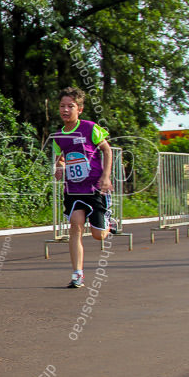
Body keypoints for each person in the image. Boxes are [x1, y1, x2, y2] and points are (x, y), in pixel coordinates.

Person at [52, 86, 115, 289]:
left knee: (98, 235)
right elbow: (59, 159)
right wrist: (59, 167)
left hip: (95, 188)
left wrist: (106, 177)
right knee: (75, 225)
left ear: (79, 109)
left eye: (70, 106)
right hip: (73, 191)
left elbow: (107, 151)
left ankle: (107, 220)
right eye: (62, 106)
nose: (65, 110)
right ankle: (77, 274)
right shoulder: (59, 136)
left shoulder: (90, 128)